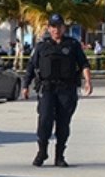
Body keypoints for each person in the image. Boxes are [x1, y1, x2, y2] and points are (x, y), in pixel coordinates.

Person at [22, 14, 93, 167]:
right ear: (49, 28)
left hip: (66, 89)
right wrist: (25, 86)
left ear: (63, 28)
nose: (56, 30)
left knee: (63, 123)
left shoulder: (72, 45)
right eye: (53, 26)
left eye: (59, 26)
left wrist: (88, 81)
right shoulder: (42, 46)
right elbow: (31, 67)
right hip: (47, 89)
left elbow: (84, 64)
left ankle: (59, 155)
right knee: (45, 120)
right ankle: (42, 151)